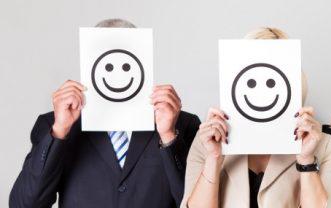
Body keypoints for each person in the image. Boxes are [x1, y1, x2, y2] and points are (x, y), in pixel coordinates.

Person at [9, 19, 201, 207]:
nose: (117, 75)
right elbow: (24, 204)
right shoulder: (54, 124)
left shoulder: (183, 125)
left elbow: (196, 203)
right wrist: (59, 132)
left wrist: (169, 137)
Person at [182, 27, 331, 208]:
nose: (261, 92)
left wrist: (306, 161)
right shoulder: (206, 142)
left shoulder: (323, 145)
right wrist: (213, 158)